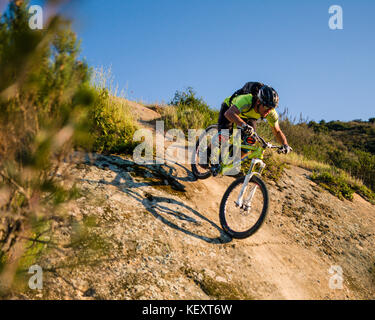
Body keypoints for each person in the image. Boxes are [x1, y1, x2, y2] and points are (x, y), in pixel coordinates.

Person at [211, 84, 292, 175]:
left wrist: (285, 144)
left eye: (271, 108)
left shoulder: (270, 113)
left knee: (250, 140)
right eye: (266, 107)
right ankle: (208, 153)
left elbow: (277, 131)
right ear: (258, 102)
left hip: (248, 118)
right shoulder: (246, 100)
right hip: (230, 110)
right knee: (225, 135)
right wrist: (243, 125)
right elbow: (229, 113)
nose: (268, 111)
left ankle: (230, 161)